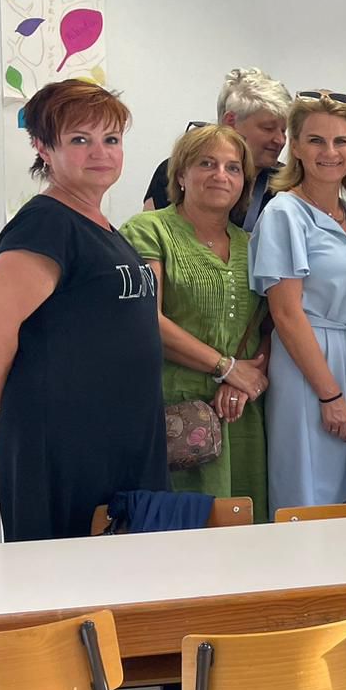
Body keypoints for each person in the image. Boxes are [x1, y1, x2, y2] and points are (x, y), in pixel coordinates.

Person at [0, 80, 168, 540]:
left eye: (111, 139)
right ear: (43, 148)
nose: (100, 152)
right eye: (80, 139)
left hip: (121, 437)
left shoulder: (101, 226)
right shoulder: (47, 222)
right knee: (66, 572)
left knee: (129, 572)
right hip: (65, 441)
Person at [249, 91, 346, 516]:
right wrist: (329, 394)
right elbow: (286, 313)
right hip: (311, 367)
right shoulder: (285, 214)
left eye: (341, 141)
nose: (330, 152)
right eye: (316, 140)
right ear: (295, 147)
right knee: (314, 492)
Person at [122, 125, 270, 512]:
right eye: (207, 164)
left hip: (238, 413)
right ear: (181, 175)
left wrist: (245, 381)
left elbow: (271, 325)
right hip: (173, 412)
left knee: (244, 528)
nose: (221, 175)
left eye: (233, 168)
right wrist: (226, 368)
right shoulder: (149, 230)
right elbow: (146, 320)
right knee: (178, 528)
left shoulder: (253, 245)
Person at [143, 68, 291, 231]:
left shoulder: (287, 184)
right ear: (231, 121)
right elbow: (149, 234)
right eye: (268, 128)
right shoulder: (173, 170)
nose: (280, 140)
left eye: (283, 130)